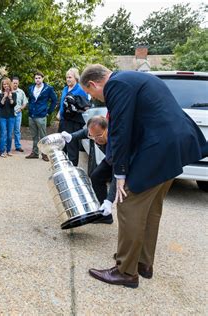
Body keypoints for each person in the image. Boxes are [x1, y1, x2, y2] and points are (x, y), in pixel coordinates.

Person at [80, 64, 207, 288]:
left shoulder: (116, 85)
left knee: (129, 204)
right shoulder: (135, 78)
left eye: (92, 94)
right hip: (173, 147)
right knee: (151, 209)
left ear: (93, 84)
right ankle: (143, 263)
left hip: (158, 148)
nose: (97, 99)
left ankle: (125, 271)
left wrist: (119, 172)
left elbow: (120, 129)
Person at [61, 115, 114, 224]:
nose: (96, 139)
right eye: (92, 136)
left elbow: (117, 178)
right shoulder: (93, 133)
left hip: (124, 162)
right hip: (110, 159)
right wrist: (71, 136)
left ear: (107, 129)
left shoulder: (116, 141)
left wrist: (110, 200)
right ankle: (105, 215)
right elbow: (85, 132)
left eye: (98, 135)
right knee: (96, 176)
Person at [58, 68, 89, 166]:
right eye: (66, 77)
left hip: (74, 122)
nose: (68, 79)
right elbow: (63, 103)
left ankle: (72, 170)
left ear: (76, 78)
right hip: (63, 121)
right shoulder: (65, 89)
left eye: (70, 77)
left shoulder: (80, 89)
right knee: (62, 145)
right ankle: (63, 168)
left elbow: (86, 106)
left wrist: (75, 108)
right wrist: (59, 112)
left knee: (72, 147)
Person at [25, 71, 58, 161]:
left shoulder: (48, 88)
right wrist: (30, 109)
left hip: (41, 115)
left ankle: (44, 154)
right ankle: (35, 153)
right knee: (34, 136)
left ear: (42, 78)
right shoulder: (31, 88)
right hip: (32, 115)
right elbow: (31, 100)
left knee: (43, 136)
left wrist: (49, 111)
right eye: (36, 78)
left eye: (39, 78)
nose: (37, 79)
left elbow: (54, 100)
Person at [0, 78, 17, 158]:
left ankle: (8, 150)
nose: (5, 86)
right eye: (4, 84)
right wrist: (4, 97)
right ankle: (2, 151)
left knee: (9, 135)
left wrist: (10, 97)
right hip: (2, 117)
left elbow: (13, 105)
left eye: (7, 84)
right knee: (3, 134)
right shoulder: (0, 95)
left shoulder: (14, 94)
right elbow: (0, 105)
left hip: (11, 117)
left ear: (9, 85)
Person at [11, 77, 28, 152]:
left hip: (18, 114)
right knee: (8, 130)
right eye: (14, 83)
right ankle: (6, 145)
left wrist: (21, 108)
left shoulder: (21, 92)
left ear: (18, 83)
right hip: (9, 114)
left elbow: (25, 102)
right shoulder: (8, 91)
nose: (15, 84)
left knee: (17, 130)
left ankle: (18, 146)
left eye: (16, 83)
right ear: (11, 83)